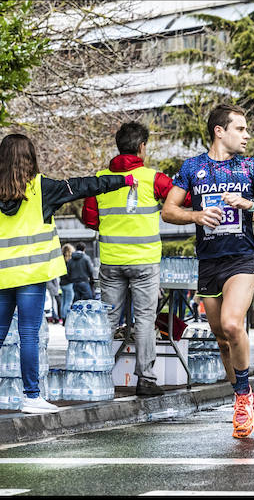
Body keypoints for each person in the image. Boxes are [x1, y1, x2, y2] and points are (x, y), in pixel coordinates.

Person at [0, 133, 135, 414]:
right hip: (31, 275)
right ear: (30, 158)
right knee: (28, 335)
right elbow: (83, 186)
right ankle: (32, 396)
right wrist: (122, 180)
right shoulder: (39, 189)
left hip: (0, 277)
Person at [161, 103, 254, 439]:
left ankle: (244, 397)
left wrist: (250, 205)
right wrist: (196, 216)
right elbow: (169, 210)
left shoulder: (249, 168)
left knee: (233, 324)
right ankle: (241, 394)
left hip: (242, 259)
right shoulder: (193, 167)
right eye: (240, 129)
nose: (247, 135)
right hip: (209, 262)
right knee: (221, 337)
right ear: (220, 131)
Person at [82, 121, 192, 398]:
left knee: (107, 320)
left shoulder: (100, 179)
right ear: (142, 147)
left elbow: (89, 219)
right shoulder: (153, 178)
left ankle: (99, 377)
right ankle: (146, 379)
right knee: (144, 319)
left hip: (110, 261)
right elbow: (184, 199)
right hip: (144, 262)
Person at [59, 243, 75, 324]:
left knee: (63, 302)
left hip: (62, 283)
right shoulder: (70, 261)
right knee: (68, 302)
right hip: (69, 283)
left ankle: (62, 317)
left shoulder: (60, 260)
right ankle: (66, 318)